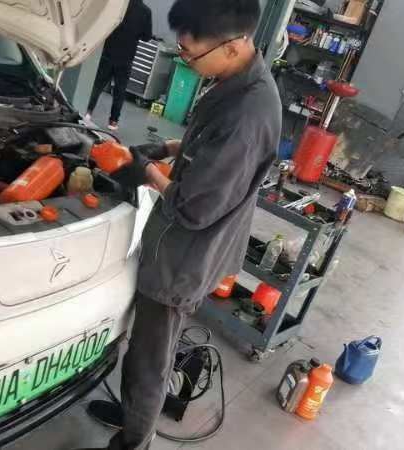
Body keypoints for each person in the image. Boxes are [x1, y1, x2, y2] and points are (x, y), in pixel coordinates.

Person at [78, 0, 281, 449]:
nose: (186, 60)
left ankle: (134, 440)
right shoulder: (235, 80)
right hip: (175, 241)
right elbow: (205, 142)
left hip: (186, 255)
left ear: (233, 45)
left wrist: (142, 169)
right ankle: (133, 416)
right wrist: (168, 149)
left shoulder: (248, 114)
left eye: (191, 53)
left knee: (150, 358)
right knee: (145, 347)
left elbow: (195, 208)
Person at [85, 0, 152, 131]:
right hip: (126, 58)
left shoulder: (119, 4)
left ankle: (88, 112)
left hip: (108, 53)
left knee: (97, 86)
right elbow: (147, 37)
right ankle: (113, 121)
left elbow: (105, 23)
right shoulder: (146, 12)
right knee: (120, 91)